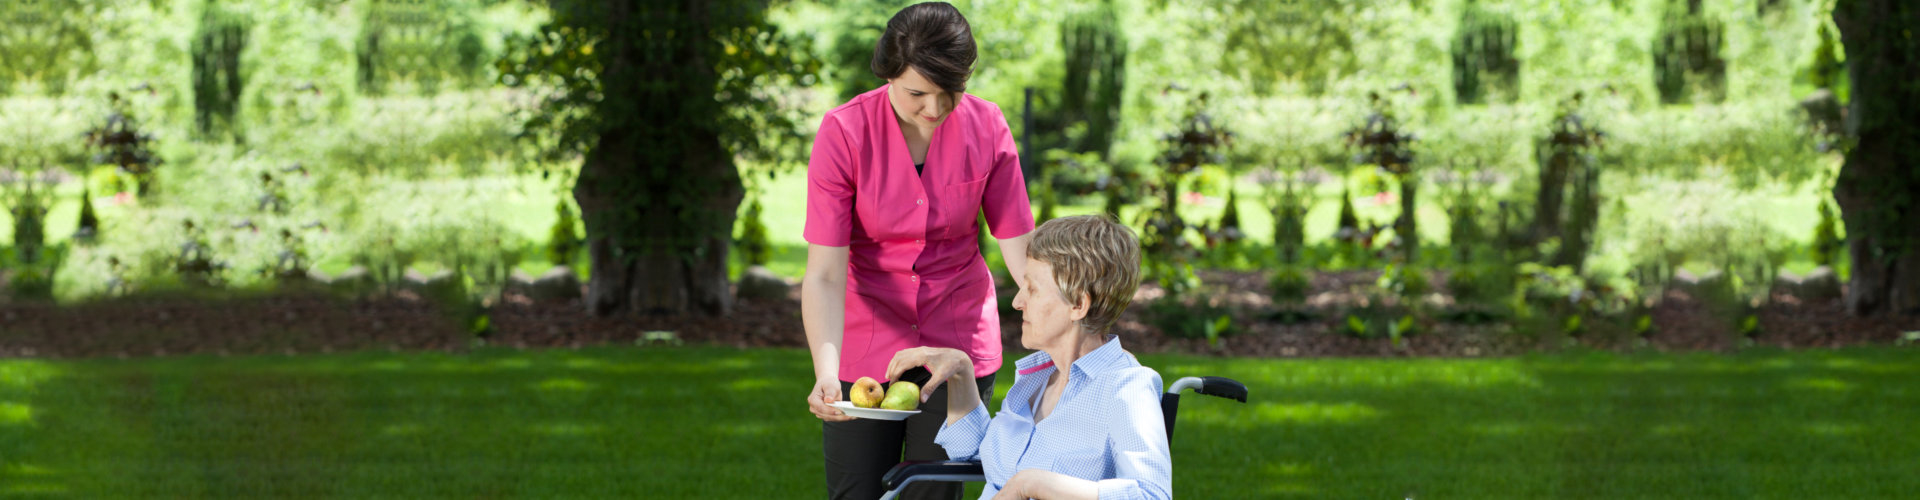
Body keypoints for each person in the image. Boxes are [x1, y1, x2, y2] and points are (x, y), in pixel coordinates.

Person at [800, 3, 1035, 499]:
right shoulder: (844, 132)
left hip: (956, 342)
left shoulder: (987, 126)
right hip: (863, 344)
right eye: (916, 94)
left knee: (933, 492)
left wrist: (1061, 326)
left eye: (950, 92)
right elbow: (824, 274)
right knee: (857, 491)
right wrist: (826, 370)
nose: (934, 108)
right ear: (888, 76)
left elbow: (1018, 245)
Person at [886, 215, 1170, 500]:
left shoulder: (1126, 388)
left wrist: (1033, 484)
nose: (1017, 302)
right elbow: (980, 455)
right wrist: (961, 371)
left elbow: (1151, 495)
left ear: (1078, 305)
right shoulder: (1038, 379)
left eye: (1032, 289)